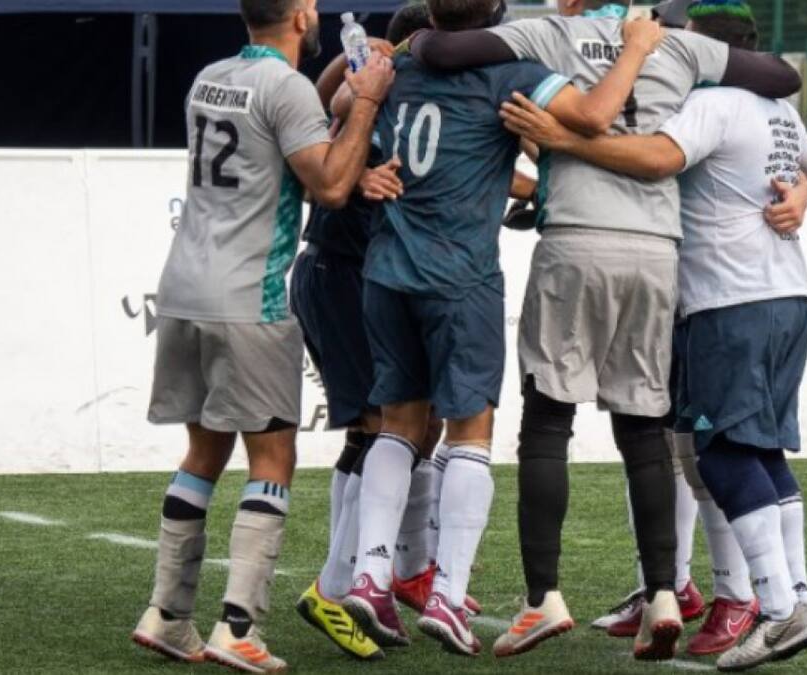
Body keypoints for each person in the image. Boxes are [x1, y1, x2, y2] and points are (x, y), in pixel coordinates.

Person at [409, 0, 801, 661]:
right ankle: (665, 595)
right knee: (646, 430)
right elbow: (781, 74)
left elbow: (446, 51)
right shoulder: (676, 43)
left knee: (548, 420)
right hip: (657, 251)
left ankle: (543, 599)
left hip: (576, 240)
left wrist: (409, 40)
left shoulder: (549, 31)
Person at [338, 0, 664, 658]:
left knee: (398, 424)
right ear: (496, 15)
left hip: (387, 270)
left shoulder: (398, 67)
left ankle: (370, 576)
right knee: (469, 433)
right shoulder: (511, 71)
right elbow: (597, 116)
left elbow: (340, 109)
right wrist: (633, 50)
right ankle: (449, 596)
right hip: (460, 277)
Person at [129, 0, 394, 671]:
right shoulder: (288, 88)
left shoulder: (209, 76)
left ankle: (168, 613)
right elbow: (328, 185)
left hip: (184, 289)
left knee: (203, 452)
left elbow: (275, 161)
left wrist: (348, 137)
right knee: (272, 459)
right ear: (303, 16)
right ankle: (239, 627)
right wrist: (364, 103)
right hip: (251, 295)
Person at [289, 4, 481, 662]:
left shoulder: (386, 85)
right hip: (340, 270)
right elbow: (330, 117)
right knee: (385, 423)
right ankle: (339, 584)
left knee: (406, 423)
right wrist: (357, 60)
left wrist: (349, 60)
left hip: (348, 270)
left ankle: (395, 567)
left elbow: (324, 106)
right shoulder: (390, 87)